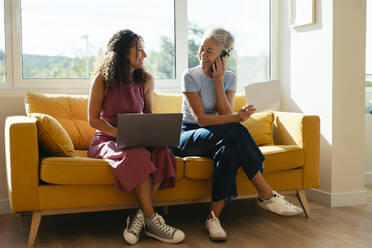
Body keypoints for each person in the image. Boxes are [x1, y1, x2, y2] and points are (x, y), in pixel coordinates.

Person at [170, 28, 303, 241]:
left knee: (230, 151)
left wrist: (218, 81)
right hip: (188, 135)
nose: (202, 54)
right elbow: (202, 119)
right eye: (201, 49)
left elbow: (224, 113)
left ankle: (213, 218)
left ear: (223, 56)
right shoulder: (190, 75)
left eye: (210, 51)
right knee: (235, 128)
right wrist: (236, 118)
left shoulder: (229, 78)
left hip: (217, 135)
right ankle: (266, 194)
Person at [87, 29, 185, 245]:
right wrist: (119, 134)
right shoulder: (102, 80)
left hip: (136, 137)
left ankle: (138, 218)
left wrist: (155, 135)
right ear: (122, 53)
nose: (144, 54)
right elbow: (93, 120)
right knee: (137, 154)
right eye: (138, 49)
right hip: (106, 139)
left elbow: (147, 118)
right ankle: (152, 220)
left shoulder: (146, 80)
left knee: (163, 153)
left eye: (143, 48)